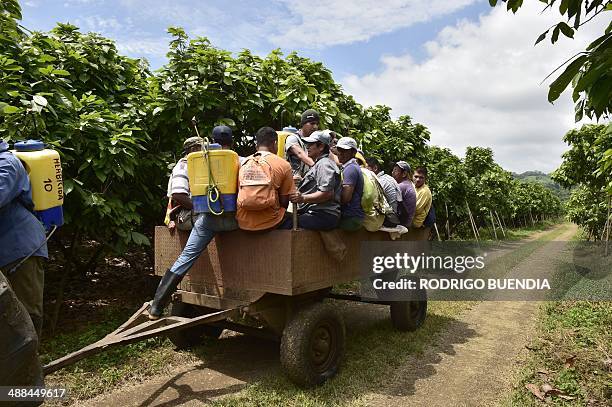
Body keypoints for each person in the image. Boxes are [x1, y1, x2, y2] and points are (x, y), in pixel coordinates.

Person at [149, 126, 239, 320]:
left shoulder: (207, 162)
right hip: (215, 218)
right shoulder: (232, 160)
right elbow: (178, 194)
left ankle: (157, 306)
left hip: (207, 220)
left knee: (186, 257)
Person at [0, 139, 47, 339]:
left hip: (20, 250)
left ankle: (31, 367)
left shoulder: (7, 164)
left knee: (27, 313)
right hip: (5, 250)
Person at [279, 130, 341, 230]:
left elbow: (327, 193)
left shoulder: (324, 164)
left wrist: (302, 198)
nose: (307, 147)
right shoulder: (319, 164)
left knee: (284, 223)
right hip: (318, 213)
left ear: (321, 147)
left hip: (323, 215)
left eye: (311, 144)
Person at [236, 127, 295, 231]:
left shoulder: (243, 163)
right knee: (298, 220)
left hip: (243, 222)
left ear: (256, 144)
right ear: (275, 143)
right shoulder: (283, 165)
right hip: (271, 222)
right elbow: (285, 202)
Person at [165, 136, 204, 232]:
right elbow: (178, 195)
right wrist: (201, 209)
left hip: (190, 213)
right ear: (193, 149)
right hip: (184, 216)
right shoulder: (183, 167)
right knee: (214, 219)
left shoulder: (194, 165)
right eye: (202, 148)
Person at [335, 137, 364, 231]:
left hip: (350, 218)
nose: (340, 153)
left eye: (345, 150)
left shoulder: (350, 169)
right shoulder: (348, 167)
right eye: (339, 149)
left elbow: (345, 198)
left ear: (353, 153)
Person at [366, 157, 402, 226]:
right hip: (394, 216)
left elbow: (372, 201)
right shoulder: (387, 178)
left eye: (366, 169)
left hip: (390, 219)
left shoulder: (380, 181)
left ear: (375, 168)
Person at [284, 109, 318, 177]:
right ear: (303, 124)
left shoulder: (315, 140)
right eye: (312, 123)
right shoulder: (293, 138)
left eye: (317, 124)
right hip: (293, 181)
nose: (315, 127)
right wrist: (317, 167)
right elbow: (300, 153)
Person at [392, 160, 417, 228]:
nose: (392, 172)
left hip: (403, 223)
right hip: (407, 221)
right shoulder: (408, 184)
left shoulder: (402, 186)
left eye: (396, 170)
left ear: (404, 174)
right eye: (393, 170)